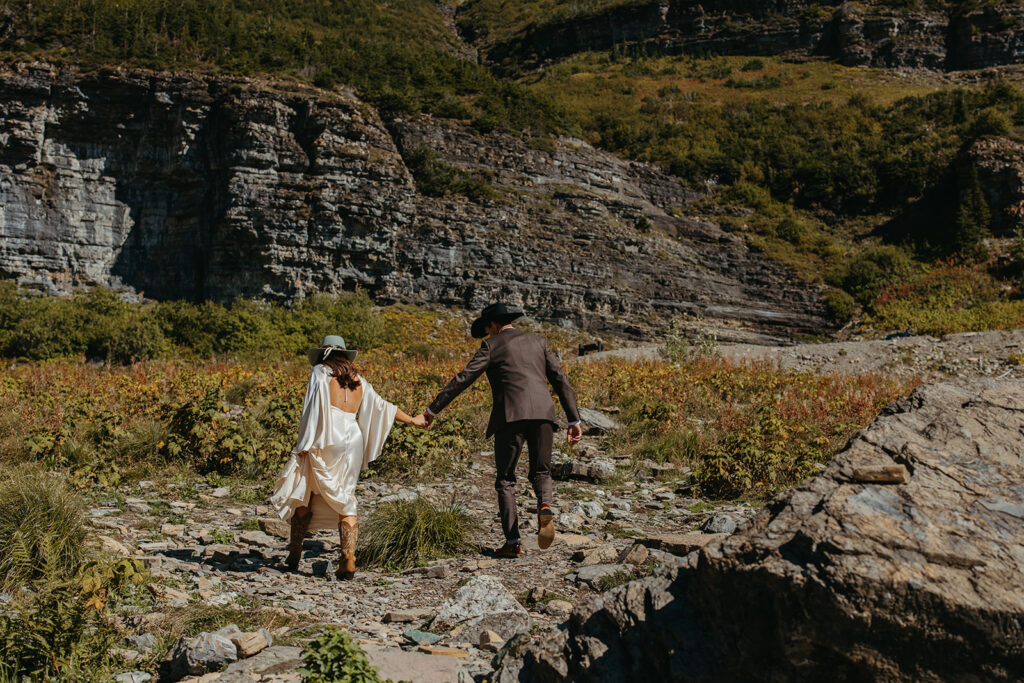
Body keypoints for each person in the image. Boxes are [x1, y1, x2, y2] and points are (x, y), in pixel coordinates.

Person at [421, 303, 583, 558]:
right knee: (541, 471)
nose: (487, 333)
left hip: (510, 417)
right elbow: (560, 379)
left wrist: (432, 409)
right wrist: (574, 420)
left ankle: (513, 542)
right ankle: (545, 505)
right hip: (543, 414)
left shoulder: (492, 346)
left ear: (494, 324)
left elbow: (464, 378)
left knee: (506, 479)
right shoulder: (538, 342)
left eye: (487, 328)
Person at [271, 335, 427, 579]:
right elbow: (383, 407)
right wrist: (413, 420)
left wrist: (305, 442)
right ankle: (348, 558)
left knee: (305, 488)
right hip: (353, 438)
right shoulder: (358, 380)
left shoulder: (320, 372)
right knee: (345, 494)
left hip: (326, 435)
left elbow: (312, 407)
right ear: (345, 355)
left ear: (324, 353)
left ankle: (294, 554)